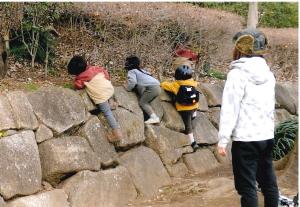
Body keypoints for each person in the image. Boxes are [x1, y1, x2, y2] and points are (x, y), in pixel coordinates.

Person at [217, 28, 279, 207]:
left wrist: (223, 140)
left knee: (247, 187)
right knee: (269, 184)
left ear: (239, 48)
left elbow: (230, 108)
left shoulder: (237, 74)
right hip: (266, 137)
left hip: (245, 140)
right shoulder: (268, 74)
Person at [67, 55, 122, 142]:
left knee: (107, 112)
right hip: (109, 89)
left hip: (101, 97)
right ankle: (112, 102)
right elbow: (105, 73)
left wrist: (75, 82)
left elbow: (78, 86)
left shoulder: (81, 78)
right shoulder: (95, 68)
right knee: (106, 89)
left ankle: (117, 133)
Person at [161, 65, 200, 151]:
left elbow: (164, 85)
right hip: (194, 106)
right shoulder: (193, 83)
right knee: (195, 103)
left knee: (188, 126)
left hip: (184, 109)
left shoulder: (176, 85)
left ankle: (193, 142)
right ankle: (194, 113)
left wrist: (163, 82)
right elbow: (197, 83)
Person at [124, 55, 161, 124]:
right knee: (146, 102)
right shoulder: (141, 71)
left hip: (152, 88)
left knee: (143, 103)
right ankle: (150, 117)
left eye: (127, 62)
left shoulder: (132, 71)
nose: (125, 63)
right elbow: (149, 75)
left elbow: (133, 82)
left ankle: (154, 118)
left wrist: (128, 89)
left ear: (130, 64)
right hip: (157, 87)